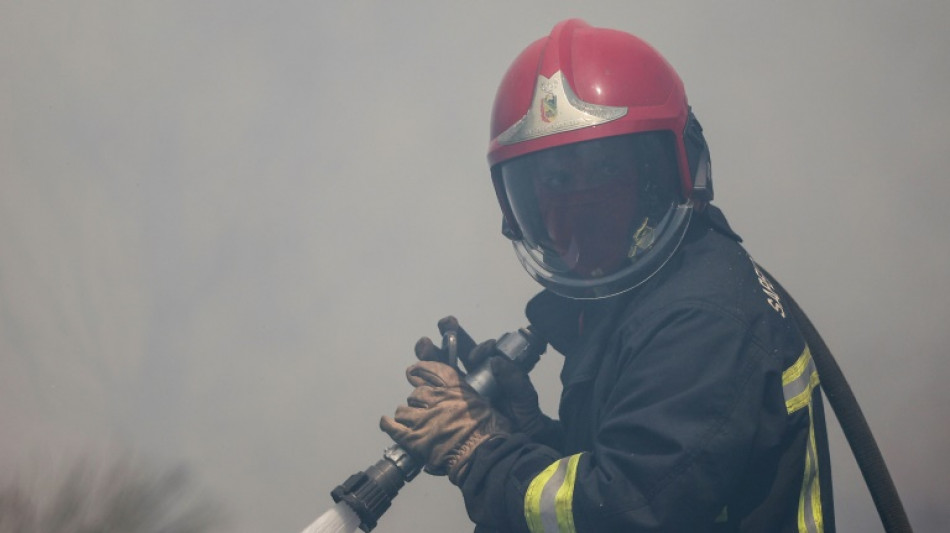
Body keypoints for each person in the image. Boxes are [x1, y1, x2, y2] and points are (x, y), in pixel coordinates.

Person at [380, 19, 835, 532]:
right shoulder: (644, 297)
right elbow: (645, 470)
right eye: (554, 178)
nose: (578, 201)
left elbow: (623, 511)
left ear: (665, 170)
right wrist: (522, 435)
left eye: (603, 168)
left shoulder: (699, 322)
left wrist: (478, 451)